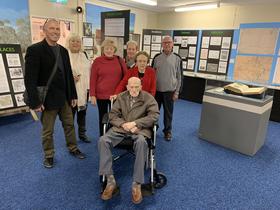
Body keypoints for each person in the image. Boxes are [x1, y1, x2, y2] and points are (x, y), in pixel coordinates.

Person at [24, 19, 85, 169]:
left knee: (69, 125)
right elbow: (29, 79)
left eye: (58, 29)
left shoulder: (63, 51)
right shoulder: (34, 50)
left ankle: (73, 147)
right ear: (44, 31)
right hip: (46, 100)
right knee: (48, 130)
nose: (55, 31)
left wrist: (73, 96)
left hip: (64, 97)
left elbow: (68, 75)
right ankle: (49, 155)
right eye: (52, 28)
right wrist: (36, 102)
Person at [98, 77, 159, 204]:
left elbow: (154, 116)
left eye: (137, 87)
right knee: (103, 140)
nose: (134, 89)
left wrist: (136, 123)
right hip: (121, 129)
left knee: (142, 143)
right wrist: (123, 124)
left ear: (141, 87)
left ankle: (137, 184)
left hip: (139, 130)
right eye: (131, 87)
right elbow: (112, 115)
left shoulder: (148, 98)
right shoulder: (121, 97)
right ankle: (110, 180)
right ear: (127, 87)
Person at [90, 39, 127, 136]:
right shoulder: (97, 61)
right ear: (103, 49)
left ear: (114, 49)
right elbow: (93, 79)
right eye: (107, 48)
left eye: (111, 48)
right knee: (102, 117)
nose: (109, 50)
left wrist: (120, 93)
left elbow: (125, 77)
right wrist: (92, 95)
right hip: (101, 95)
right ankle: (103, 137)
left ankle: (115, 136)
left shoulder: (120, 60)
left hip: (116, 95)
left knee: (116, 117)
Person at [152, 36, 182, 141]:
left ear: (173, 44)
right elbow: (152, 75)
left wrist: (177, 92)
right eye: (165, 43)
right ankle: (153, 129)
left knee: (168, 113)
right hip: (157, 91)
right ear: (162, 44)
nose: (167, 44)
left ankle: (167, 131)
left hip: (170, 91)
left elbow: (179, 77)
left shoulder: (177, 58)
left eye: (169, 42)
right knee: (154, 112)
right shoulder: (156, 57)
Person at [67, 34, 91, 143]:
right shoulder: (65, 55)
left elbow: (89, 71)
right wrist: (70, 78)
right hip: (70, 90)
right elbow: (60, 72)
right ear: (69, 42)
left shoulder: (85, 55)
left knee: (82, 114)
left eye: (77, 41)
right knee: (70, 116)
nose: (75, 43)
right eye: (73, 41)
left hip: (83, 90)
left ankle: (82, 134)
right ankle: (71, 138)